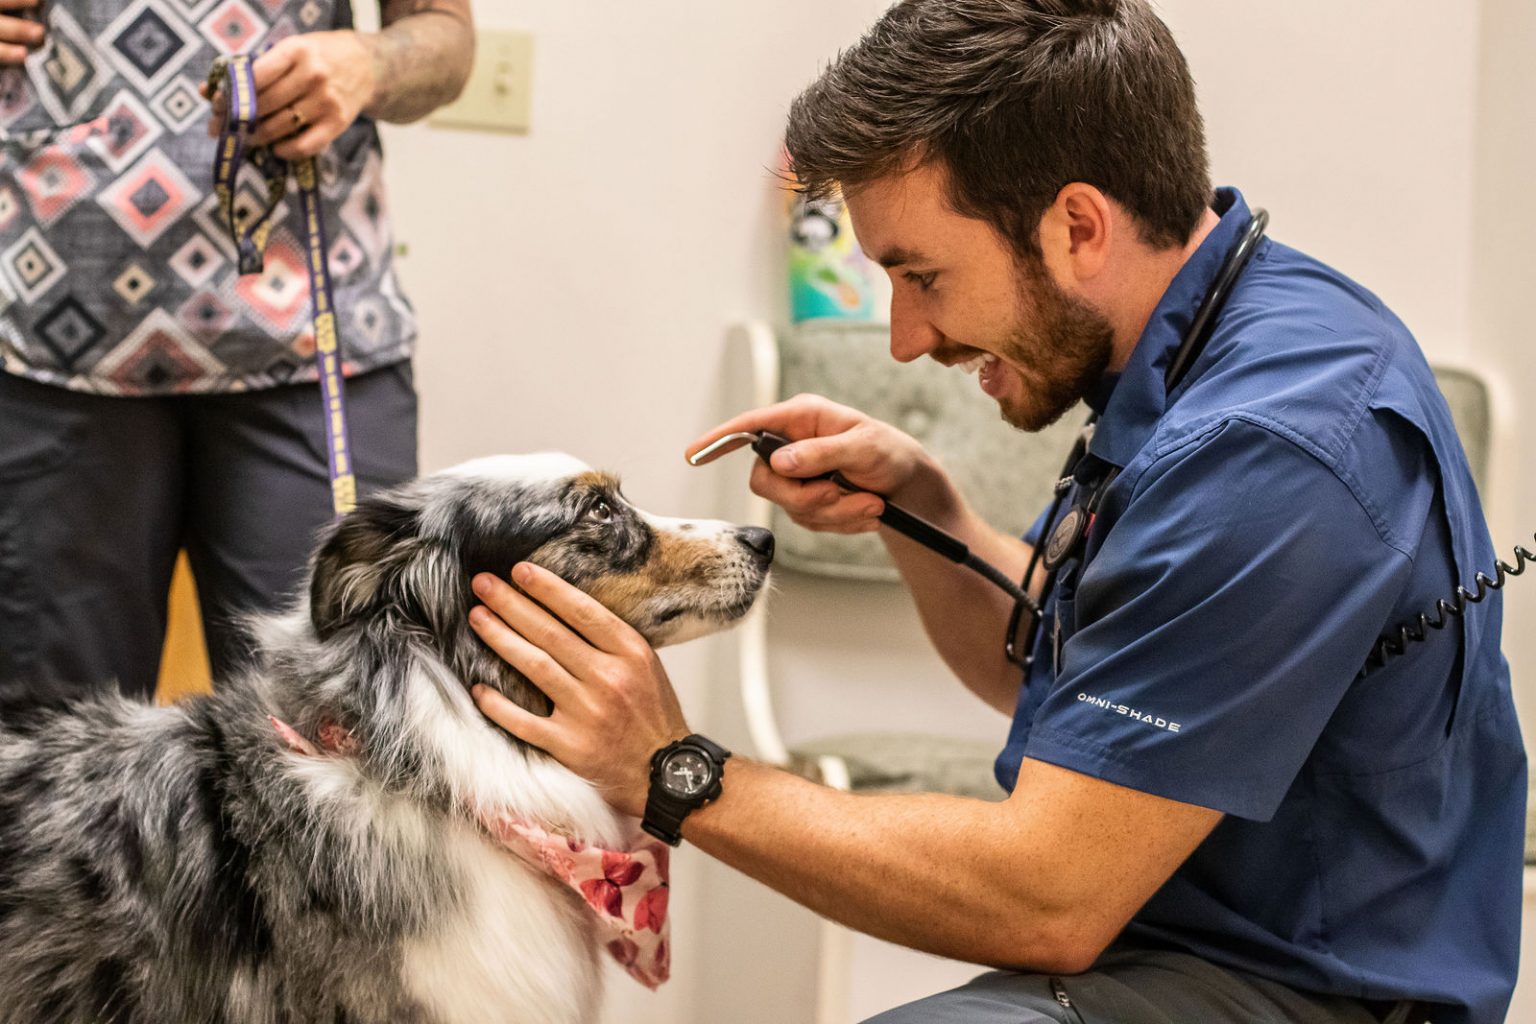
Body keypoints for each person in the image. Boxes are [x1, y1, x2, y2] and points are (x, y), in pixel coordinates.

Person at [464, 2, 1524, 1022]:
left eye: (920, 275)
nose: (905, 339)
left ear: (1076, 227)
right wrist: (927, 510)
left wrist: (672, 768)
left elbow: (1047, 895)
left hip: (1292, 987)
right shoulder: (1213, 334)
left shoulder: (1271, 452)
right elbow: (1066, 674)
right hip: (1176, 940)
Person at [0, 0, 472, 697]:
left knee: (333, 727)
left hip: (314, 347)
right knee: (52, 756)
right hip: (47, 352)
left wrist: (367, 64)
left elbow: (448, 41)